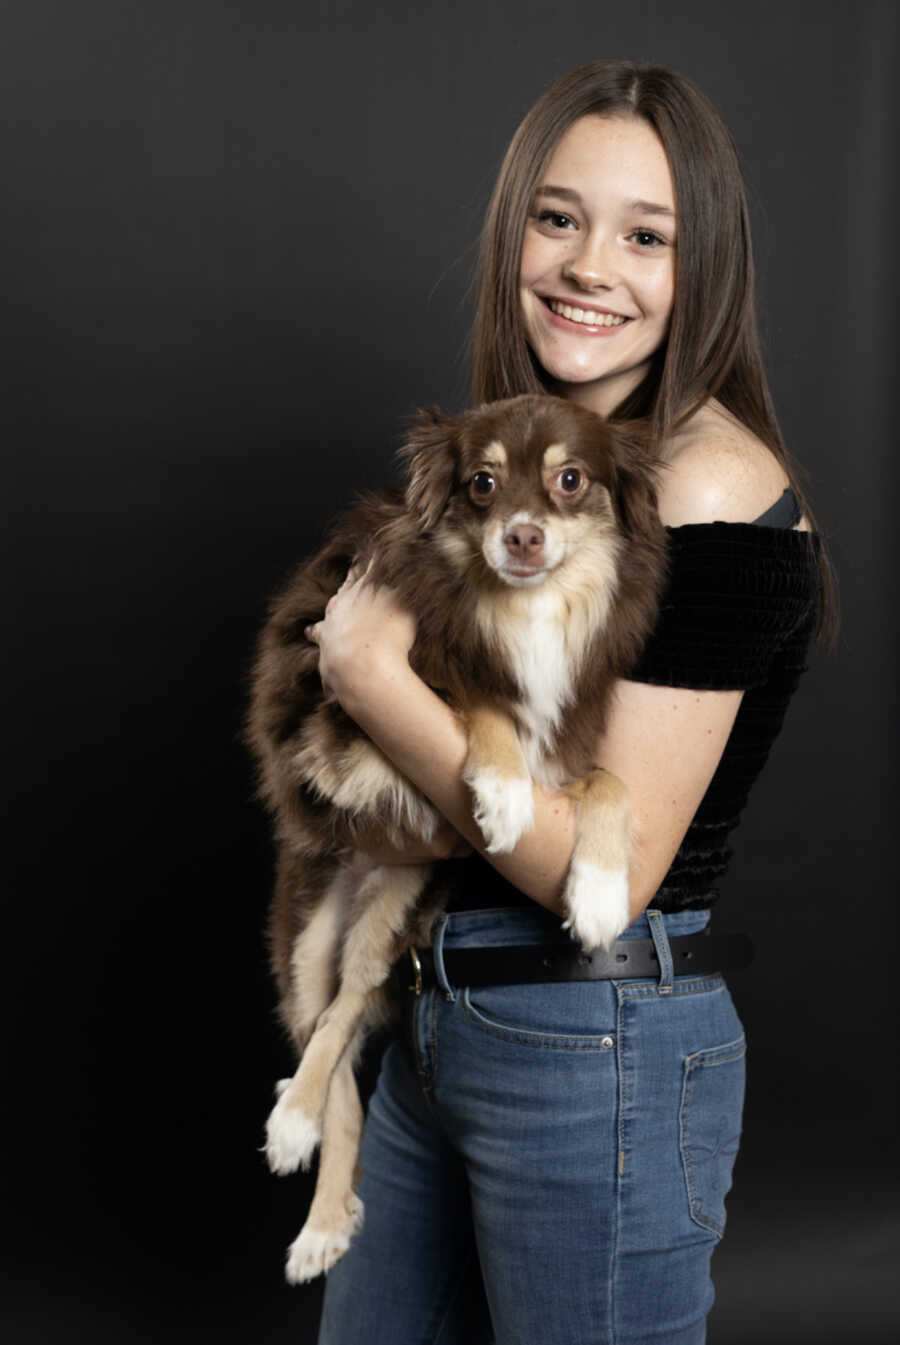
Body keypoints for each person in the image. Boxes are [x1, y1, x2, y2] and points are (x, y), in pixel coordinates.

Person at [303, 60, 831, 1345]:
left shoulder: (704, 490)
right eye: (558, 218)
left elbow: (605, 869)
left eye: (646, 235)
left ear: (701, 267)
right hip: (436, 1013)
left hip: (594, 1033)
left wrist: (368, 675)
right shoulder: (540, 471)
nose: (590, 264)